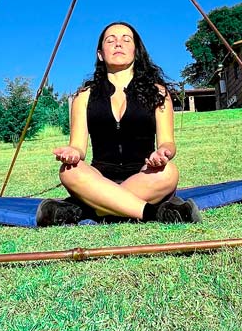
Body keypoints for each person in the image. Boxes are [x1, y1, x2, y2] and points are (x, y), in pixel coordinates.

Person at [37, 21, 201, 226]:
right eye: (110, 40)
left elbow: (168, 142)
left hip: (144, 176)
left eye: (126, 39)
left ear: (135, 51)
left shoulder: (158, 93)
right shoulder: (84, 97)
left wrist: (163, 153)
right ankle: (152, 213)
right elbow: (78, 147)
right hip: (98, 179)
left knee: (169, 172)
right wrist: (71, 153)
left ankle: (89, 209)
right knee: (69, 171)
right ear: (100, 54)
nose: (118, 44)